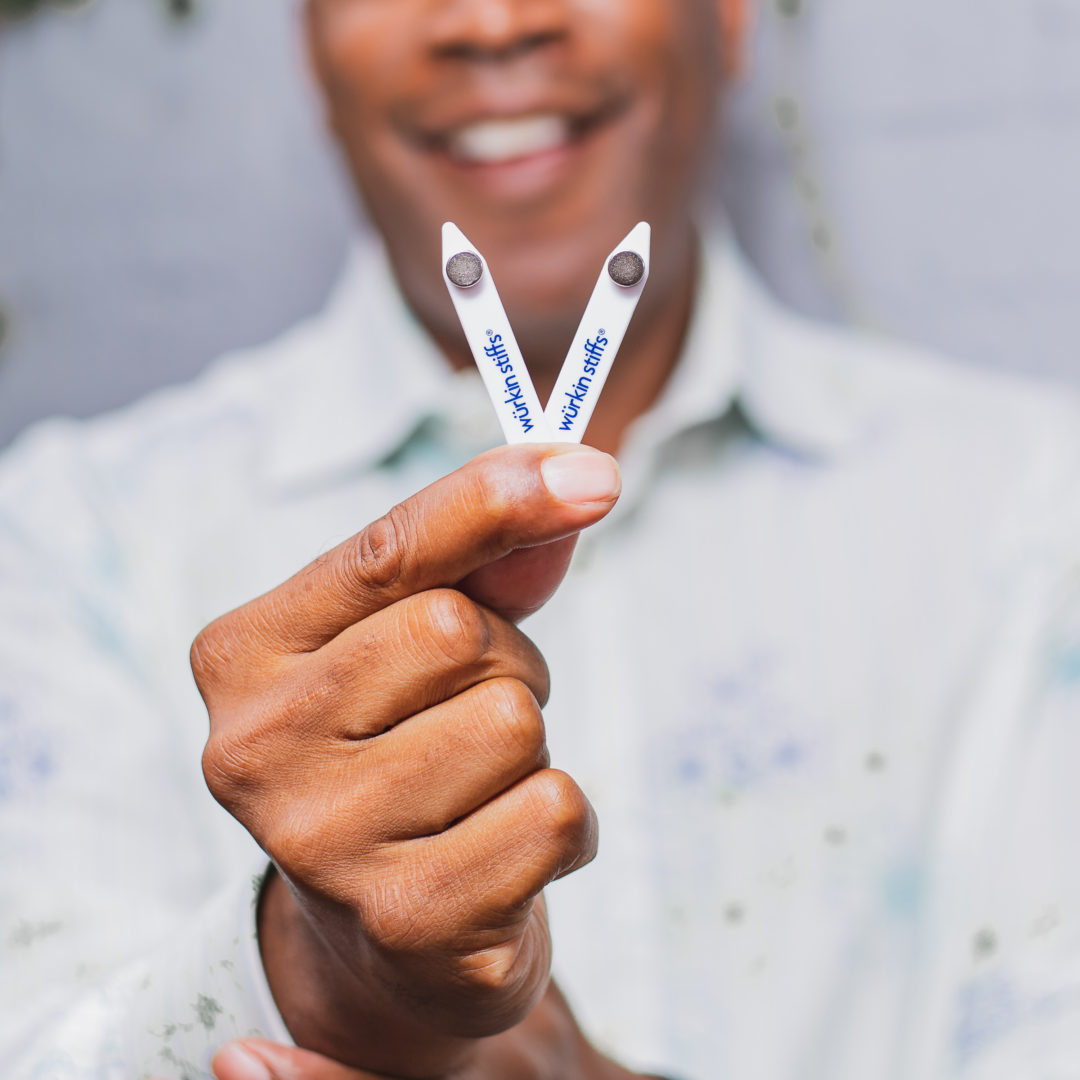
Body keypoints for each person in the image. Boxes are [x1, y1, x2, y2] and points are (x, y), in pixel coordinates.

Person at [3, 1, 1080, 1078]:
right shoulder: (64, 537)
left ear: (735, 16)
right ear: (310, 44)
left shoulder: (1038, 513)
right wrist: (321, 974)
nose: (494, 19)